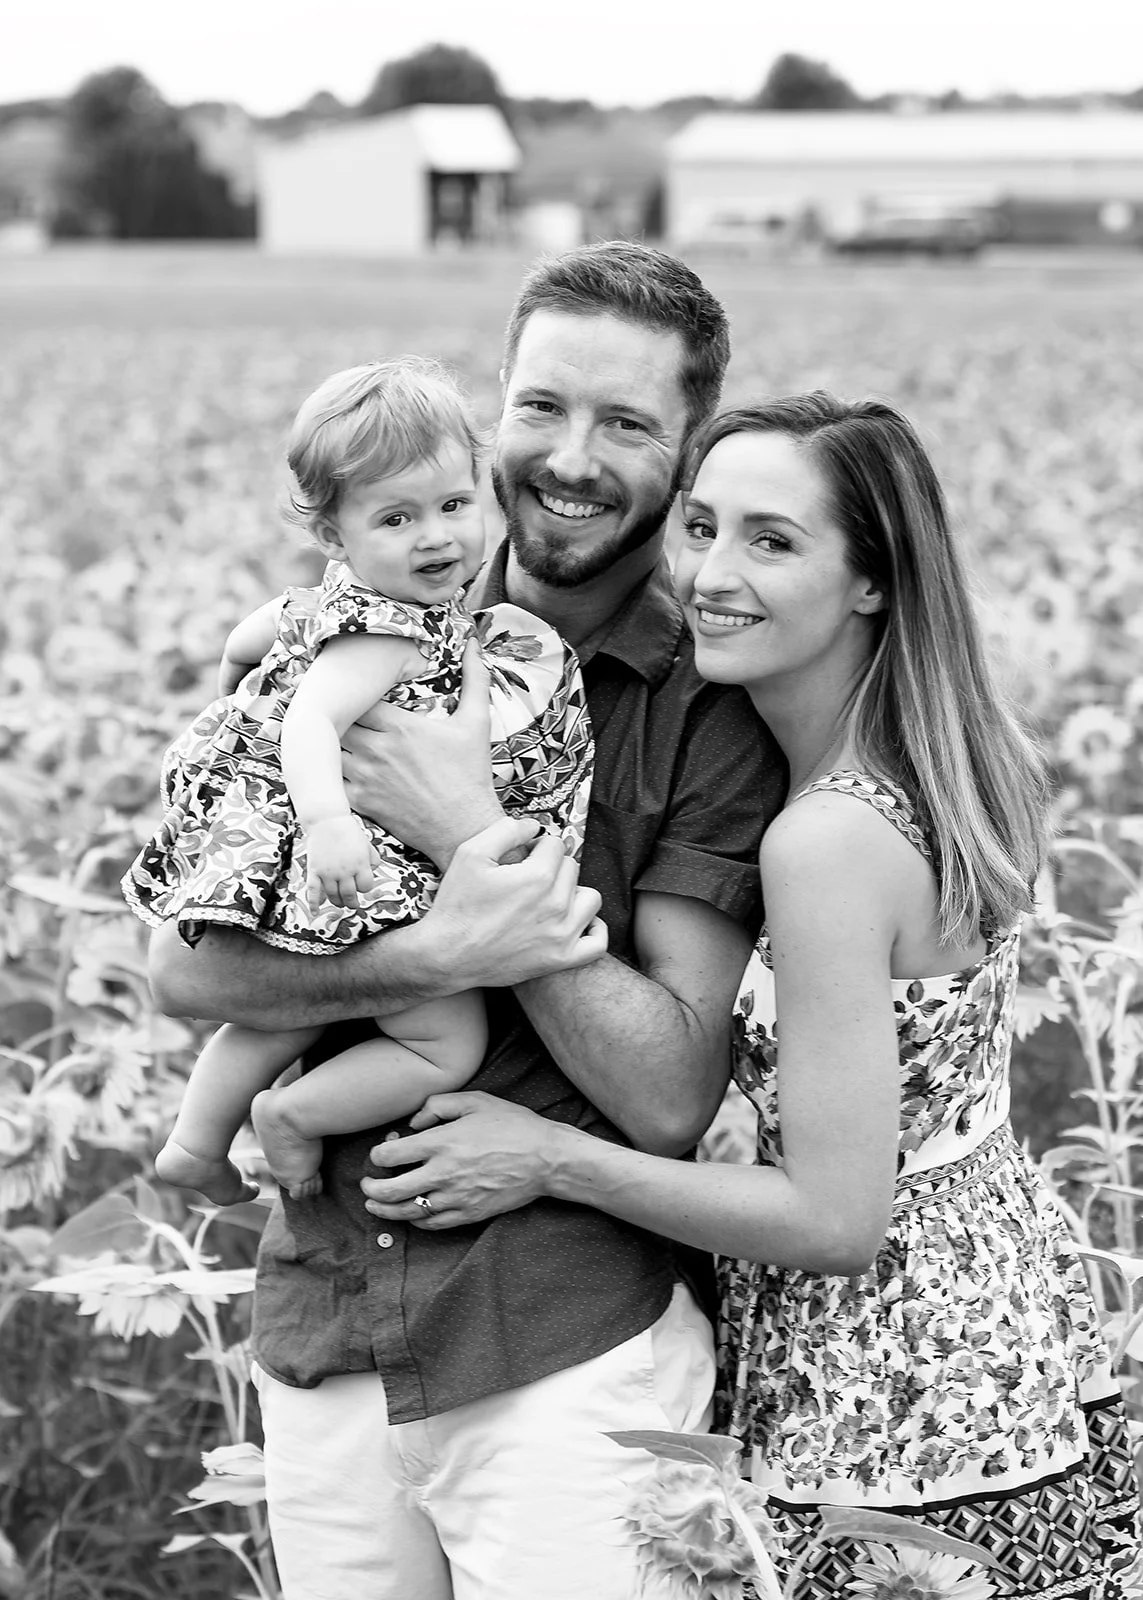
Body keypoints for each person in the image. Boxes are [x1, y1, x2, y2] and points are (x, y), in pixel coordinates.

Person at [363, 395, 1141, 1597]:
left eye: (772, 542)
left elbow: (836, 1218)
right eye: (704, 528)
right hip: (1004, 1340)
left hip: (892, 1392)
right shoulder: (948, 760)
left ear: (874, 581)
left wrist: (548, 1160)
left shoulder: (824, 841)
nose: (713, 575)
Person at [147, 242, 787, 1600]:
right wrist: (440, 954)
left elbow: (668, 1091)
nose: (569, 456)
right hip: (326, 1319)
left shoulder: (708, 709)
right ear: (492, 410)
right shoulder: (353, 633)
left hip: (561, 1341)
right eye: (542, 407)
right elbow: (183, 972)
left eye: (625, 424)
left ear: (686, 456)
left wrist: (457, 830)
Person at [123, 356, 593, 1206]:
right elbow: (310, 722)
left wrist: (240, 678)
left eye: (454, 506)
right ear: (335, 536)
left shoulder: (337, 598)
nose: (437, 537)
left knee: (280, 1011)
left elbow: (252, 635)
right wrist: (333, 824)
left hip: (323, 856)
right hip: (360, 859)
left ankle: (195, 1142)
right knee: (441, 1044)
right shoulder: (393, 632)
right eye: (398, 518)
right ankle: (296, 1117)